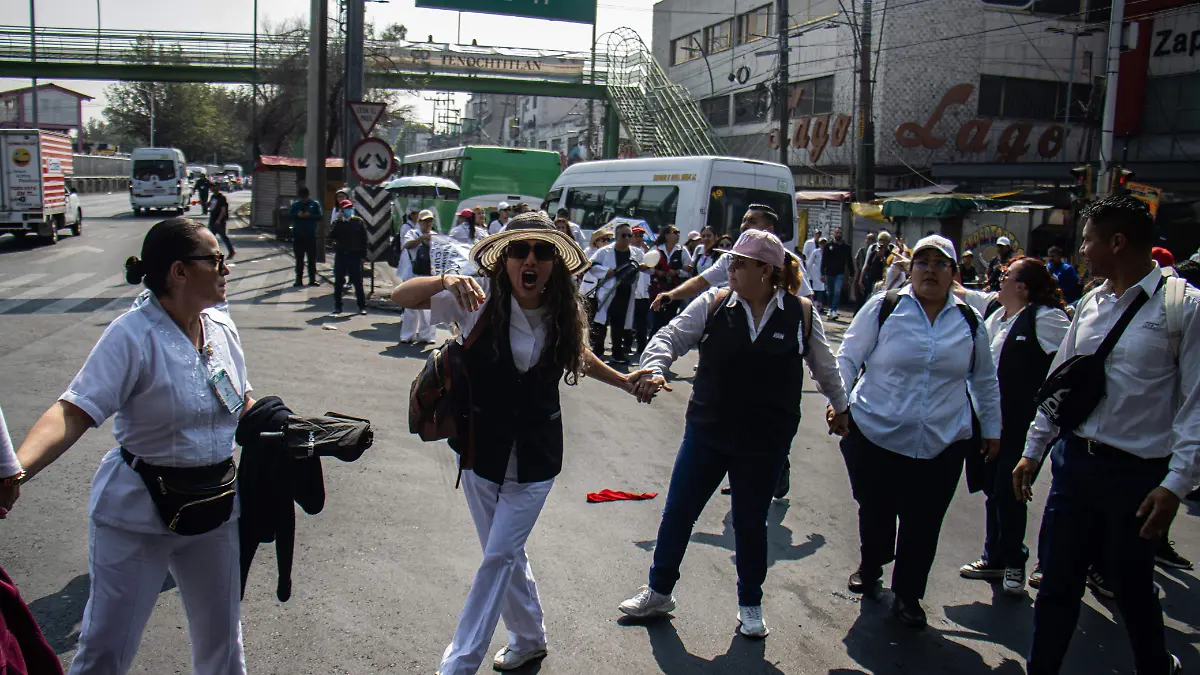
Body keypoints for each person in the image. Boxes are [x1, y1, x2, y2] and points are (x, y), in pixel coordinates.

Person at [392, 211, 649, 675]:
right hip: (479, 452)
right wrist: (446, 280)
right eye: (519, 250)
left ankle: (459, 664)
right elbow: (399, 295)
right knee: (506, 552)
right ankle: (529, 638)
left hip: (536, 456)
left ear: (554, 263)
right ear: (503, 259)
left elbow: (581, 357)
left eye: (543, 251)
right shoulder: (475, 297)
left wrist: (627, 381)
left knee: (497, 556)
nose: (530, 259)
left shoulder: (560, 312)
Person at [12, 217, 252, 674]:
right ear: (179, 272)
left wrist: (282, 425)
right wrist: (16, 470)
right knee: (108, 645)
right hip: (138, 514)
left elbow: (238, 397)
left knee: (223, 640)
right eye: (216, 260)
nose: (227, 269)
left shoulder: (220, 327)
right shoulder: (132, 335)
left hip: (213, 507)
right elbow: (74, 410)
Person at [619, 229, 849, 637]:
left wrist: (841, 407)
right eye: (731, 260)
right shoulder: (714, 303)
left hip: (765, 441)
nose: (731, 267)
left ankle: (750, 603)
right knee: (679, 512)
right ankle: (658, 591)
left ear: (766, 270)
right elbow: (670, 337)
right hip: (708, 432)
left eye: (741, 262)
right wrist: (654, 368)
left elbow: (826, 368)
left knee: (750, 523)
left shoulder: (801, 314)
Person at [1013, 196, 1199, 675]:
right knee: (1057, 586)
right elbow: (1061, 385)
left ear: (1117, 242)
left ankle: (1156, 666)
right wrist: (1034, 449)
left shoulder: (1185, 308)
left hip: (1137, 478)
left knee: (1132, 589)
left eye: (1089, 238)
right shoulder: (1091, 304)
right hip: (1076, 466)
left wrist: (1176, 483)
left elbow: (1197, 406)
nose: (1082, 248)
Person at [836, 234, 1001, 628]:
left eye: (939, 263)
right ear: (910, 270)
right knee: (876, 510)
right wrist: (838, 403)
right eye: (922, 263)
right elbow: (848, 356)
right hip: (876, 433)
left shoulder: (968, 319)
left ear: (954, 274)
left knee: (923, 522)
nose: (930, 270)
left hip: (943, 441)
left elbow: (984, 380)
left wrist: (993, 430)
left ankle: (908, 595)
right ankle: (873, 562)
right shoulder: (885, 307)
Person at [957, 256, 1070, 595]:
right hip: (992, 422)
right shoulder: (997, 317)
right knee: (993, 489)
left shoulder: (1046, 319)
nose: (999, 280)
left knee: (1010, 491)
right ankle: (995, 556)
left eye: (1006, 276)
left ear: (1022, 286)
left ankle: (1014, 562)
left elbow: (1073, 362)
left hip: (1023, 424)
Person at [650, 205, 812, 314]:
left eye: (752, 221)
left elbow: (805, 301)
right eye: (744, 220)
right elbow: (701, 282)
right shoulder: (729, 258)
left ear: (768, 229)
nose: (744, 225)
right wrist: (670, 295)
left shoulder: (787, 260)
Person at [588, 223, 644, 364]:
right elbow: (591, 265)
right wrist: (606, 271)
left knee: (619, 324)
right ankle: (597, 351)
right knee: (600, 323)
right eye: (623, 235)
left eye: (629, 235)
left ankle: (617, 353)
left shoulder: (636, 253)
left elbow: (648, 267)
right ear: (617, 236)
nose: (627, 238)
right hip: (608, 292)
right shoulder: (604, 251)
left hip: (625, 292)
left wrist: (644, 267)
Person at [399, 210, 438, 344]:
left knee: (428, 308)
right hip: (413, 273)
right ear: (419, 222)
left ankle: (426, 336)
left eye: (430, 221)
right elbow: (407, 245)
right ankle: (407, 335)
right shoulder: (412, 233)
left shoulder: (436, 236)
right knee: (411, 306)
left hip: (429, 274)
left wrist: (431, 242)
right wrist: (421, 239)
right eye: (425, 221)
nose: (428, 223)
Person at [648, 225, 693, 333]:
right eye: (675, 232)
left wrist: (677, 272)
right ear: (667, 235)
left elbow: (689, 269)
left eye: (678, 233)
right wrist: (657, 272)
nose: (678, 235)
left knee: (669, 316)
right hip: (658, 288)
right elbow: (647, 266)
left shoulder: (682, 250)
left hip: (674, 289)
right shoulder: (656, 249)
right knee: (657, 318)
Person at [329, 199, 369, 317]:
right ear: (341, 210)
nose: (349, 210)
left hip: (355, 255)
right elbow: (331, 235)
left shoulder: (358, 222)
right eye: (346, 208)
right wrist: (339, 221)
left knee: (357, 282)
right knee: (339, 282)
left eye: (350, 208)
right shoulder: (338, 223)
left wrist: (363, 256)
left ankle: (362, 306)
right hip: (341, 254)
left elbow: (364, 239)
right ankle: (338, 307)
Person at [289, 187, 322, 287]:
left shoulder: (314, 204)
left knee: (312, 259)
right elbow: (290, 215)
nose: (304, 199)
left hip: (311, 235)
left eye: (305, 197)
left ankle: (312, 279)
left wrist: (310, 215)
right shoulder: (295, 205)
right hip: (298, 235)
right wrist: (298, 215)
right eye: (302, 198)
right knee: (299, 259)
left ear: (308, 195)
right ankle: (298, 279)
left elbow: (319, 216)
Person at [821, 228, 852, 319]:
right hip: (829, 273)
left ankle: (834, 309)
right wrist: (822, 273)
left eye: (840, 233)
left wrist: (851, 274)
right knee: (830, 292)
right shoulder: (828, 246)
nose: (838, 235)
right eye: (837, 233)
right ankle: (830, 309)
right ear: (834, 234)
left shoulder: (846, 247)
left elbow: (849, 261)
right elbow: (824, 260)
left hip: (840, 273)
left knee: (837, 291)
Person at [855, 231, 892, 299]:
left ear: (888, 242)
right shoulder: (873, 249)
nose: (882, 242)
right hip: (871, 279)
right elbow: (866, 265)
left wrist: (882, 258)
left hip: (882, 281)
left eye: (884, 240)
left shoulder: (891, 252)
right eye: (880, 240)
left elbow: (889, 267)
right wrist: (860, 280)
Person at [207, 182, 235, 261]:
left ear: (218, 188)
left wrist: (218, 220)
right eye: (212, 188)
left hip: (219, 221)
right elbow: (212, 206)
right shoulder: (213, 197)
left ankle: (230, 251)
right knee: (211, 238)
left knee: (222, 237)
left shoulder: (221, 198)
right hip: (213, 219)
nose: (213, 189)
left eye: (215, 187)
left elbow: (223, 210)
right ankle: (213, 254)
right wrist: (207, 204)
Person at [807, 238, 826, 311]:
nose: (823, 245)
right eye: (821, 243)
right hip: (815, 272)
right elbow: (810, 262)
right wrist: (807, 272)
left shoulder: (827, 252)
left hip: (824, 272)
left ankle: (820, 304)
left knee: (822, 288)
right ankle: (815, 303)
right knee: (816, 288)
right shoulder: (815, 252)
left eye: (824, 243)